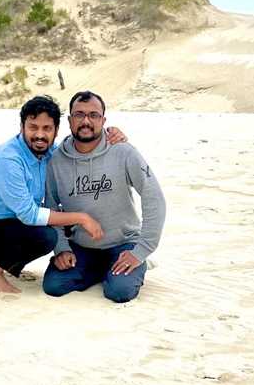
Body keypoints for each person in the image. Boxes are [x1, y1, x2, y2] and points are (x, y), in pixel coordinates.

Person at [0, 95, 126, 294]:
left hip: (10, 222)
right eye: (33, 127)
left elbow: (80, 145)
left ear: (55, 131)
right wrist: (82, 218)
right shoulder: (9, 160)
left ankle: (12, 263)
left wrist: (112, 134)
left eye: (47, 128)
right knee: (46, 236)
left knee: (63, 218)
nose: (40, 135)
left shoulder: (50, 152)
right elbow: (29, 215)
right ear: (22, 127)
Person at [42, 90, 166, 303]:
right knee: (54, 286)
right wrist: (61, 248)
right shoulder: (56, 161)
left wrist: (141, 250)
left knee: (119, 292)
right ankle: (102, 271)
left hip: (123, 243)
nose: (86, 121)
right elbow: (52, 208)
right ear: (70, 120)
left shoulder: (123, 151)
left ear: (103, 120)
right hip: (81, 247)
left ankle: (131, 267)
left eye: (94, 115)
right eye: (79, 115)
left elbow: (153, 196)